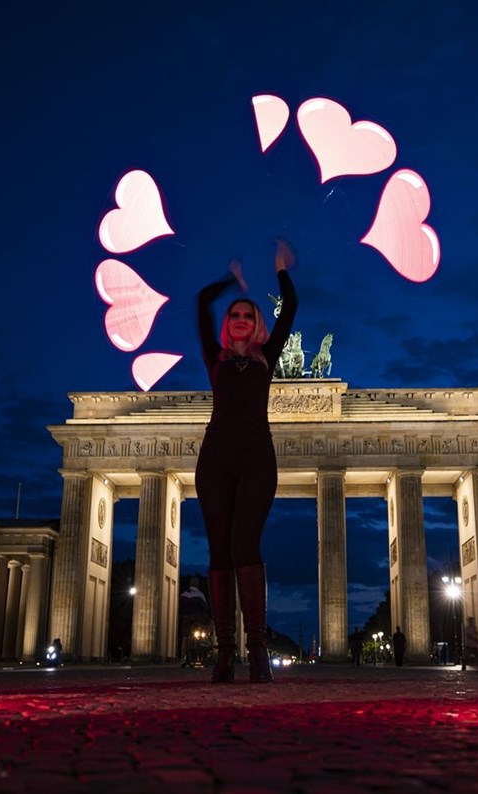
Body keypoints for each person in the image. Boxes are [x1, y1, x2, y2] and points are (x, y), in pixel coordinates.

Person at [196, 239, 297, 684]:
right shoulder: (214, 359)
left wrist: (280, 272)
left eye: (248, 316)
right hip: (215, 457)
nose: (240, 320)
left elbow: (290, 308)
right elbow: (201, 303)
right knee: (219, 550)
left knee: (245, 547)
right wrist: (230, 281)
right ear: (227, 325)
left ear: (257, 325)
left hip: (258, 457)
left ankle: (256, 652)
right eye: (235, 315)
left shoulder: (266, 358)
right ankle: (224, 656)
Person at [180, 577, 210, 667]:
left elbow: (180, 606)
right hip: (197, 618)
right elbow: (205, 607)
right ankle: (204, 642)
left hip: (186, 618)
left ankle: (183, 657)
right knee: (207, 626)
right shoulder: (200, 594)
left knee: (185, 637)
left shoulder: (183, 594)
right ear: (197, 585)